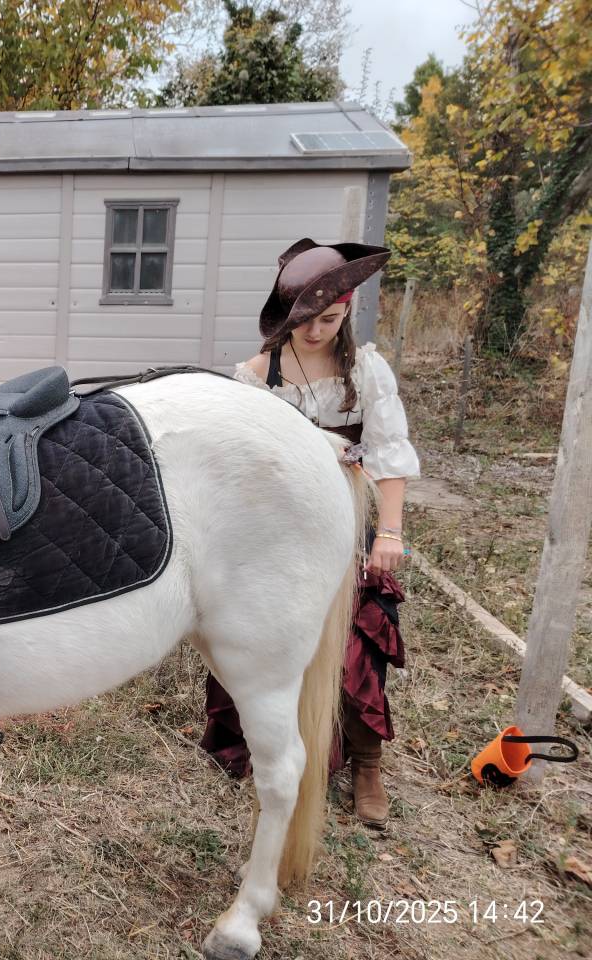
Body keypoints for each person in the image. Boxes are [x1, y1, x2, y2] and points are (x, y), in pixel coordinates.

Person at [199, 238, 420, 829]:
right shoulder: (254, 377)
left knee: (356, 641)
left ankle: (366, 764)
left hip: (345, 516)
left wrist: (389, 532)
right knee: (262, 635)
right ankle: (266, 741)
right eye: (305, 320)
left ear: (346, 312)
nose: (316, 331)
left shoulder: (365, 372)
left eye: (329, 319)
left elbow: (389, 456)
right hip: (276, 524)